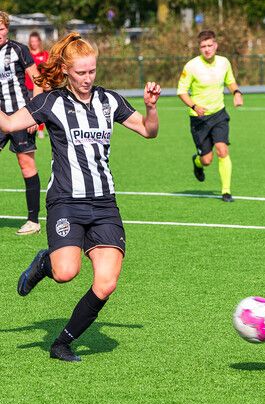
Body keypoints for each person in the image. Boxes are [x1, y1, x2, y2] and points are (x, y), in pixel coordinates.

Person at [1, 32, 161, 362]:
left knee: (105, 284)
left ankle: (62, 343)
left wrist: (150, 108)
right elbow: (8, 123)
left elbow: (149, 130)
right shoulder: (51, 102)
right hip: (66, 202)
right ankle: (44, 263)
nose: (88, 79)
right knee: (65, 273)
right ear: (65, 70)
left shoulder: (110, 100)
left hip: (104, 205)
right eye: (81, 73)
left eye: (92, 71)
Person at [177, 30, 244, 202]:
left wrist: (236, 92)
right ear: (199, 48)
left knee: (223, 149)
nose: (207, 49)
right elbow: (181, 91)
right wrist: (194, 105)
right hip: (199, 119)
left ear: (216, 45)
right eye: (203, 46)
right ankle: (197, 163)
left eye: (210, 45)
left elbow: (230, 80)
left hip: (219, 114)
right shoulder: (191, 66)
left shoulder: (224, 62)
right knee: (207, 160)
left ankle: (226, 191)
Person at [0, 11, 44, 235]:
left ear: (7, 29)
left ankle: (33, 220)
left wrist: (34, 114)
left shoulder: (18, 50)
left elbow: (38, 81)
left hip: (19, 115)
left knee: (26, 165)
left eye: (1, 29)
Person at [25, 31, 49, 139]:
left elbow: (49, 71)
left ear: (39, 42)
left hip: (41, 87)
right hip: (28, 87)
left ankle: (40, 129)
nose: (34, 43)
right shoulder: (27, 55)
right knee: (29, 109)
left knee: (41, 108)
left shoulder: (45, 55)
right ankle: (27, 127)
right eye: (32, 41)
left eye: (35, 41)